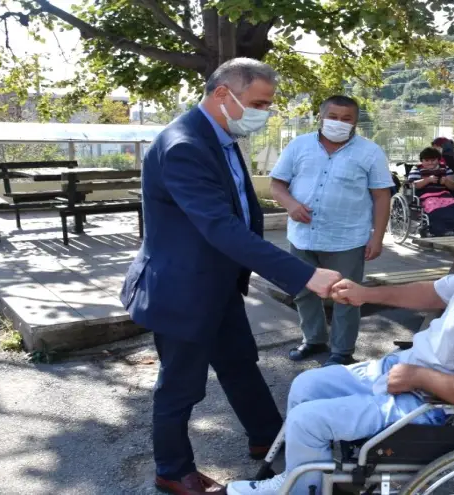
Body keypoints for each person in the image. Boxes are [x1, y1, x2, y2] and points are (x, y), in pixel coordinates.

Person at [225, 167, 454, 495]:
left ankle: (301, 486)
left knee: (308, 420)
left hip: (439, 404)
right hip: (414, 369)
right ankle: (309, 476)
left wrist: (417, 377)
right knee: (308, 384)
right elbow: (436, 291)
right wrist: (367, 294)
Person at [120, 58, 343, 495]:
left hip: (217, 285)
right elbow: (221, 227)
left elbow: (242, 213)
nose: (265, 112)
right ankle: (172, 469)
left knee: (240, 363)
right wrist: (304, 275)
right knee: (180, 386)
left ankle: (271, 439)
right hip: (182, 289)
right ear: (224, 94)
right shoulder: (184, 144)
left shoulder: (220, 136)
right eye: (259, 103)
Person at [270, 95, 393, 367]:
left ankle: (342, 350)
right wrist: (290, 204)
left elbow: (381, 196)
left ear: (355, 122)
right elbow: (277, 184)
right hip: (302, 237)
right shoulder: (298, 146)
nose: (339, 123)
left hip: (347, 238)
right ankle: (313, 340)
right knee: (303, 291)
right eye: (333, 117)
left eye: (346, 119)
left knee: (346, 296)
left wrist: (377, 237)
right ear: (321, 117)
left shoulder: (370, 152)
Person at [406, 147, 454, 236]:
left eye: (433, 160)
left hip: (444, 195)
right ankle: (439, 230)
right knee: (434, 205)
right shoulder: (417, 168)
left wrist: (446, 182)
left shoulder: (446, 168)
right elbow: (412, 185)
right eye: (427, 160)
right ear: (422, 160)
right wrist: (427, 180)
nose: (430, 163)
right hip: (426, 196)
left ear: (438, 160)